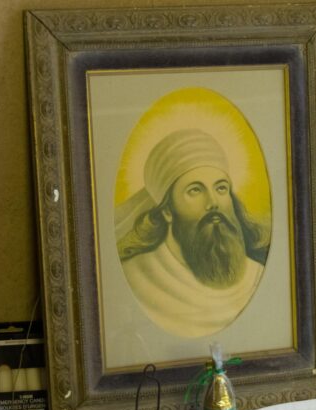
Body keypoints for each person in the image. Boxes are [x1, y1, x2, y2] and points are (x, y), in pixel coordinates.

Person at [115, 129, 270, 338]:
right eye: (195, 190)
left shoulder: (256, 276)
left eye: (221, 188)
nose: (213, 202)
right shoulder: (136, 278)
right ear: (167, 211)